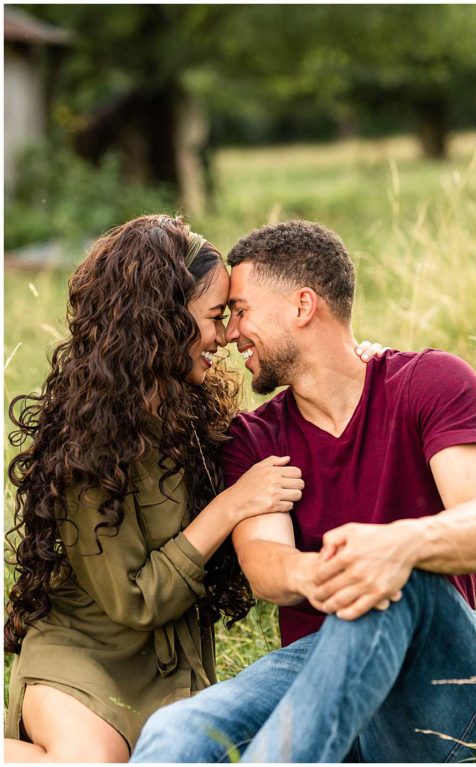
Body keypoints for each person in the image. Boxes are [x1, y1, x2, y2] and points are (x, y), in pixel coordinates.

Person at [130, 220, 476, 763]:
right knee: (177, 731)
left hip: (438, 683)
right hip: (317, 666)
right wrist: (333, 568)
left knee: (395, 583)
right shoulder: (254, 438)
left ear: (303, 306)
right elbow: (267, 566)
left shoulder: (433, 382)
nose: (232, 333)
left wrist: (393, 548)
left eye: (241, 310)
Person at [2, 216, 307, 761]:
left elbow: (281, 434)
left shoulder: (192, 406)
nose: (225, 336)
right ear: (161, 322)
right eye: (215, 317)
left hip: (173, 667)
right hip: (86, 657)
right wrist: (230, 505)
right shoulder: (85, 441)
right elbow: (134, 600)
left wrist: (353, 372)